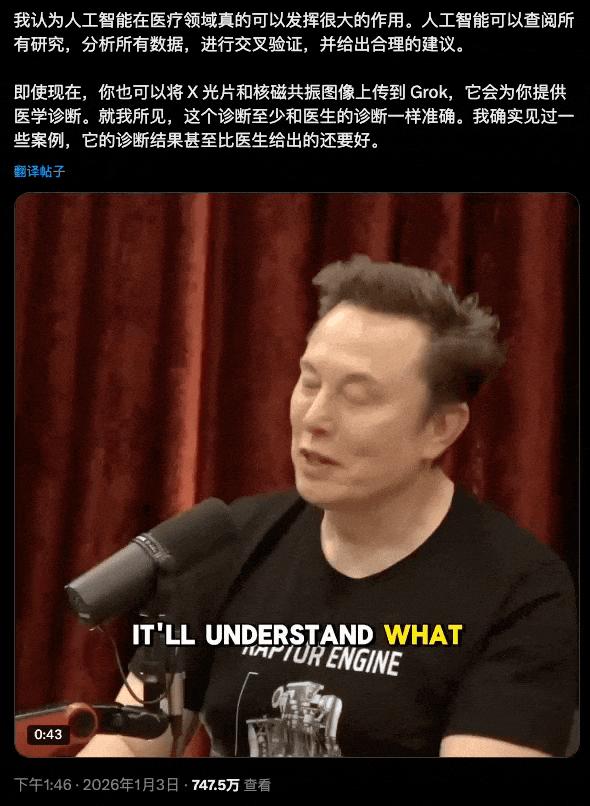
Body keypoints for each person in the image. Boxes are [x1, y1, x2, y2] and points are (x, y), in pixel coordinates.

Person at [79, 255, 577, 758]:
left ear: (439, 428)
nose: (315, 417)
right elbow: (129, 742)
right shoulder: (229, 544)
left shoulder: (520, 592)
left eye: (357, 396)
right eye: (310, 382)